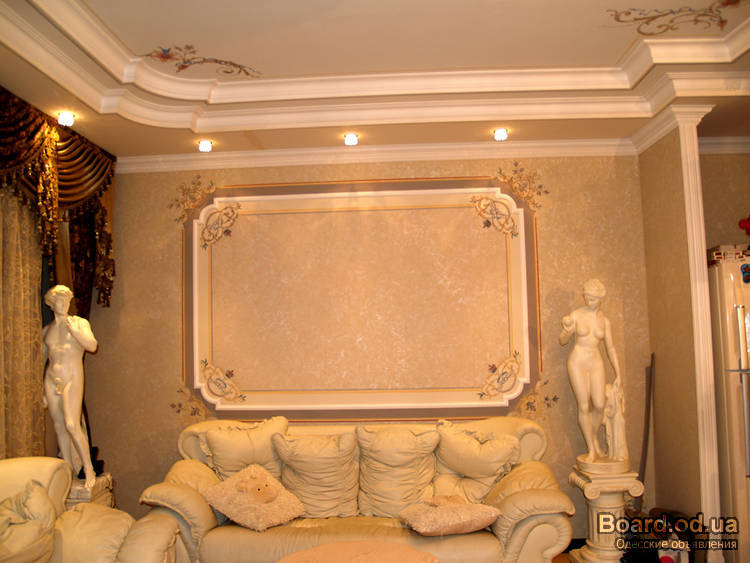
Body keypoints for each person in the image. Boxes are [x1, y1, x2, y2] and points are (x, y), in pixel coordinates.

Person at [559, 278, 623, 463]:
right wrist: (567, 330)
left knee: (600, 405)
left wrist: (618, 373)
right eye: (586, 297)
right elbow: (562, 341)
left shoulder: (605, 321)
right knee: (584, 406)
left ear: (600, 299)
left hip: (595, 362)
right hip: (577, 361)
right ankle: (591, 450)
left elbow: (611, 348)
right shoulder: (577, 315)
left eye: (592, 298)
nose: (588, 301)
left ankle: (592, 438)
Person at [42, 285, 98, 488]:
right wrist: (42, 391)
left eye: (66, 300)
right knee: (59, 427)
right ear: (51, 303)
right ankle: (68, 470)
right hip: (51, 378)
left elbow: (92, 346)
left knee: (72, 425)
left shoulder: (79, 323)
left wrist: (76, 332)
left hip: (72, 376)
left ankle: (89, 469)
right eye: (59, 300)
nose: (63, 304)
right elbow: (41, 360)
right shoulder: (46, 331)